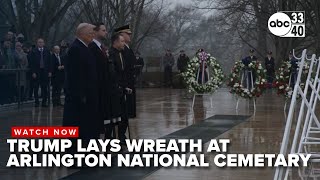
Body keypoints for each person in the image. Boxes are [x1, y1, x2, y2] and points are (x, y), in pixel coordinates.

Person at [63, 23, 99, 154]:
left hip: (86, 96)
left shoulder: (84, 48)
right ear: (82, 34)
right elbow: (75, 76)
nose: (93, 35)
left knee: (85, 128)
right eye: (90, 33)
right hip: (79, 98)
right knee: (77, 128)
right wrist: (82, 95)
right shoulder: (76, 49)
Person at [88, 22, 113, 139]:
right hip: (97, 86)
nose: (105, 32)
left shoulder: (101, 47)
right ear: (96, 32)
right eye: (103, 30)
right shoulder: (92, 47)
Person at [109, 33, 132, 144]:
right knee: (115, 116)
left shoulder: (122, 53)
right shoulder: (111, 54)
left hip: (122, 88)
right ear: (116, 42)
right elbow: (113, 73)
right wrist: (119, 86)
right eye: (122, 41)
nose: (124, 43)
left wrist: (125, 86)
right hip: (114, 90)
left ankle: (122, 136)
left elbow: (124, 72)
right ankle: (113, 137)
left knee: (124, 115)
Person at [114, 25, 137, 118]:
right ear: (122, 35)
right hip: (126, 81)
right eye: (128, 34)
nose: (130, 36)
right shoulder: (123, 50)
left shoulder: (128, 48)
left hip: (130, 80)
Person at [29, 38, 52, 107]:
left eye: (42, 42)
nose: (40, 43)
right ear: (37, 43)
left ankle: (44, 102)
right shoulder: (33, 51)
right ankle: (36, 102)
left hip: (45, 72)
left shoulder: (47, 51)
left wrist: (50, 71)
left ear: (44, 43)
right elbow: (31, 63)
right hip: (37, 72)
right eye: (39, 42)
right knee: (36, 88)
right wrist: (33, 72)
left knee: (44, 88)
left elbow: (49, 62)